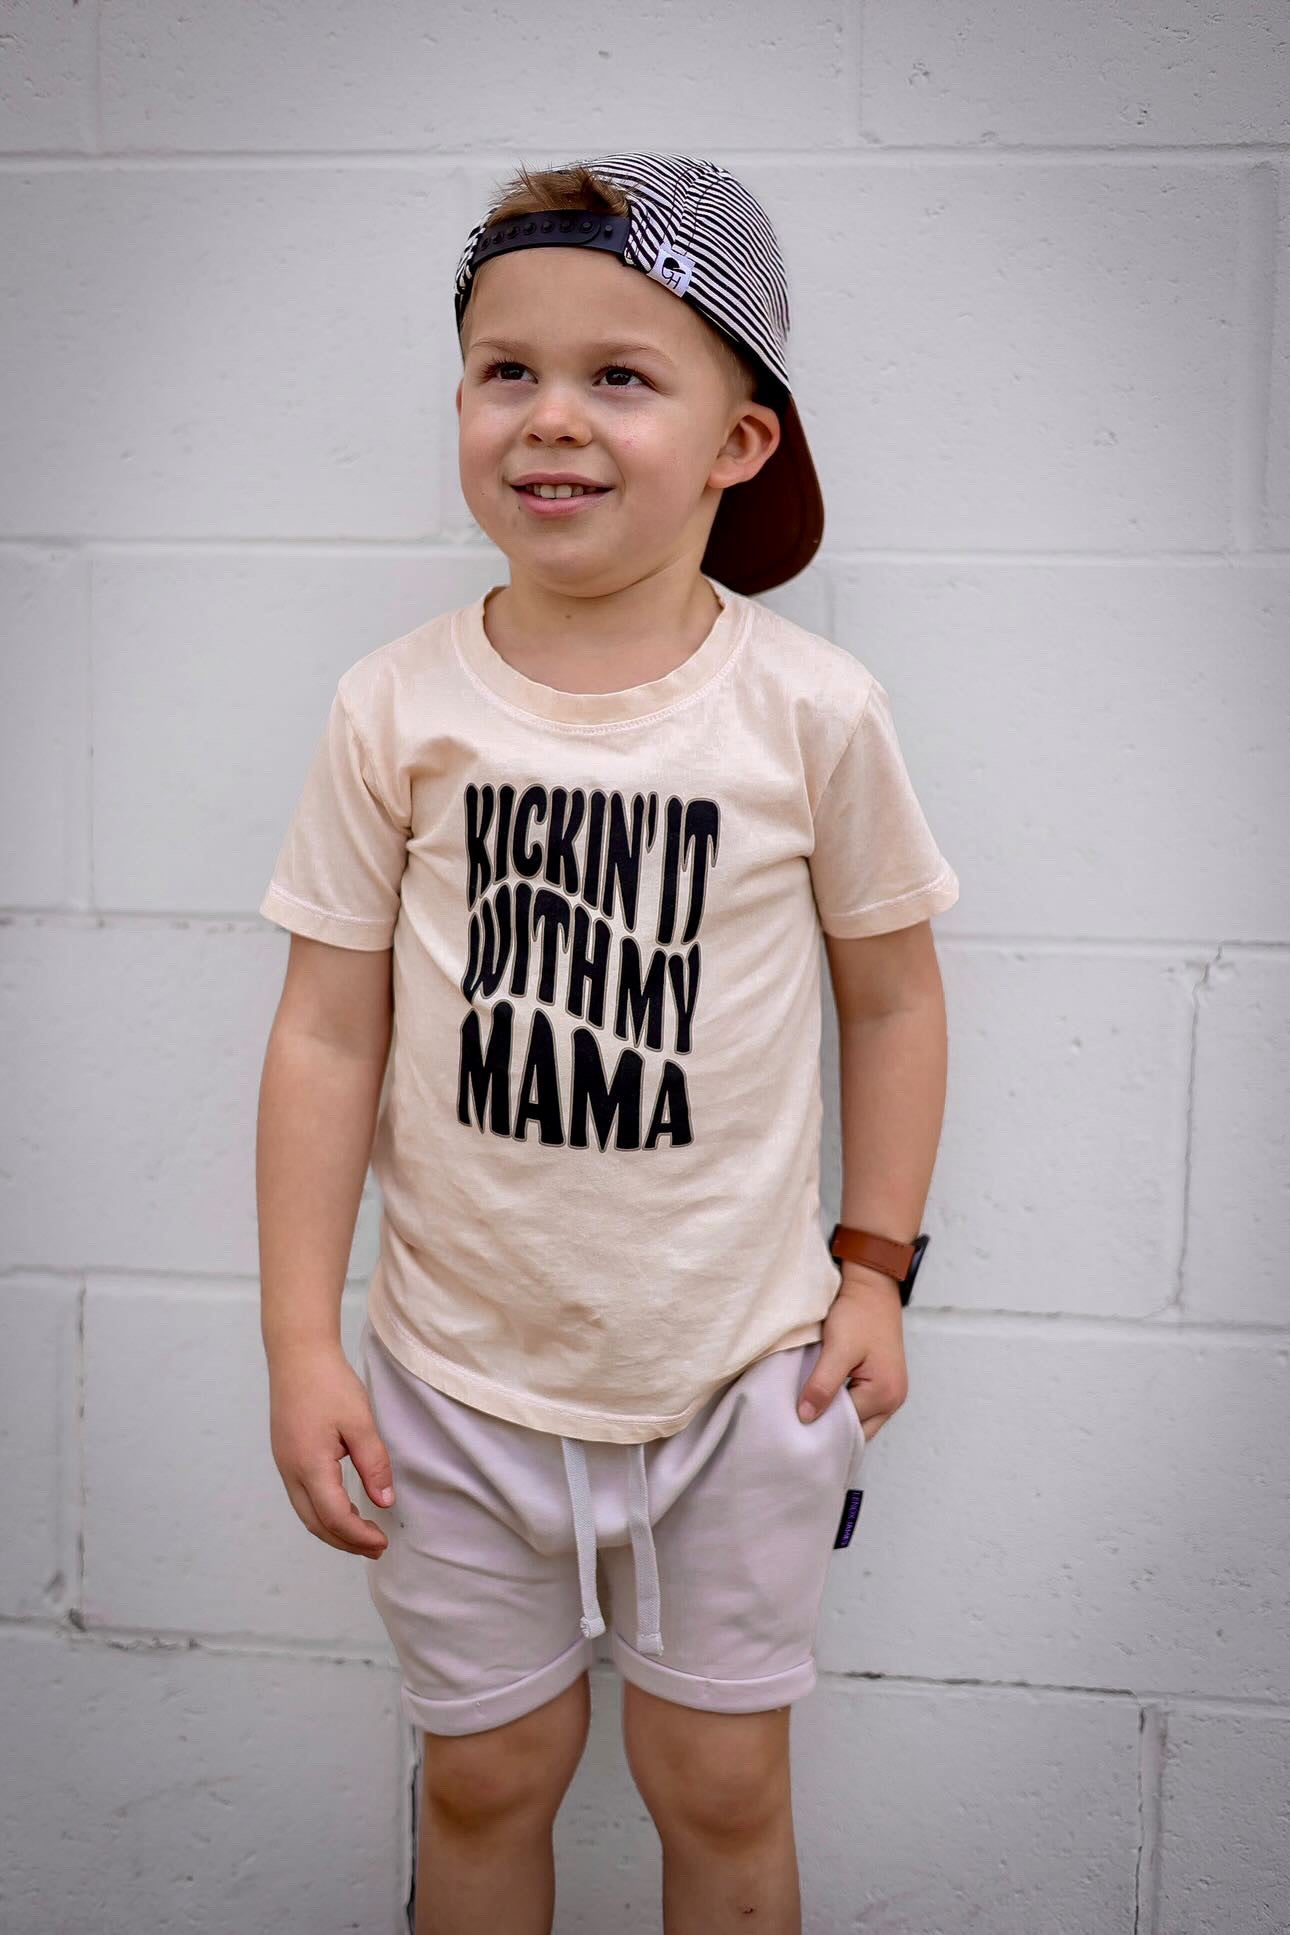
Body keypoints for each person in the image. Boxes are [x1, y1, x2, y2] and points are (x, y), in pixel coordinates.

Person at [256, 152, 960, 1935]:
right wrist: (300, 1345)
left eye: (618, 376)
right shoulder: (395, 707)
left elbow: (891, 997)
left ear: (741, 441)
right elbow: (326, 1034)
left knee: (718, 1787)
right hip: (451, 1385)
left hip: (739, 1377)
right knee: (485, 1777)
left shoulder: (808, 712)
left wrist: (874, 1269)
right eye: (506, 369)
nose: (550, 418)